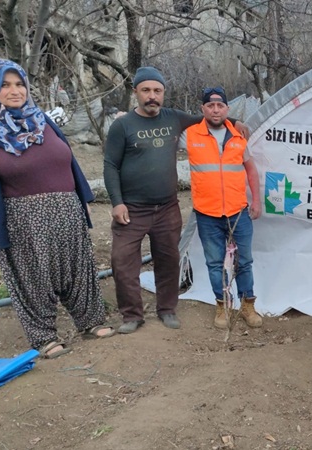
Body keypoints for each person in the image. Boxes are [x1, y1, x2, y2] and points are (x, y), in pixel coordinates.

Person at [0, 59, 114, 358]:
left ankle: (91, 322)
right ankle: (44, 337)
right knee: (30, 274)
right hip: (20, 215)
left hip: (66, 209)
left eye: (19, 84)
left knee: (79, 267)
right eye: (5, 85)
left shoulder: (41, 119)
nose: (15, 90)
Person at [104, 67, 249, 334]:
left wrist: (235, 120)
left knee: (168, 259)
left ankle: (167, 309)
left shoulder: (173, 118)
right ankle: (132, 315)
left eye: (157, 91)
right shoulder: (122, 125)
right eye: (146, 90)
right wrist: (117, 202)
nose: (152, 96)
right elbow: (110, 164)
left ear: (163, 94)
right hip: (132, 209)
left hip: (167, 207)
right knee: (123, 261)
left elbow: (208, 116)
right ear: (136, 92)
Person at [180, 87, 262, 329]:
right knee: (215, 263)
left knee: (244, 262)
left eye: (220, 106)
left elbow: (251, 170)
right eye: (210, 106)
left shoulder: (238, 136)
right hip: (207, 214)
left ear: (227, 108)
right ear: (202, 109)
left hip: (238, 212)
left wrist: (256, 201)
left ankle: (248, 305)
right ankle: (222, 307)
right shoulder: (190, 135)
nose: (215, 110)